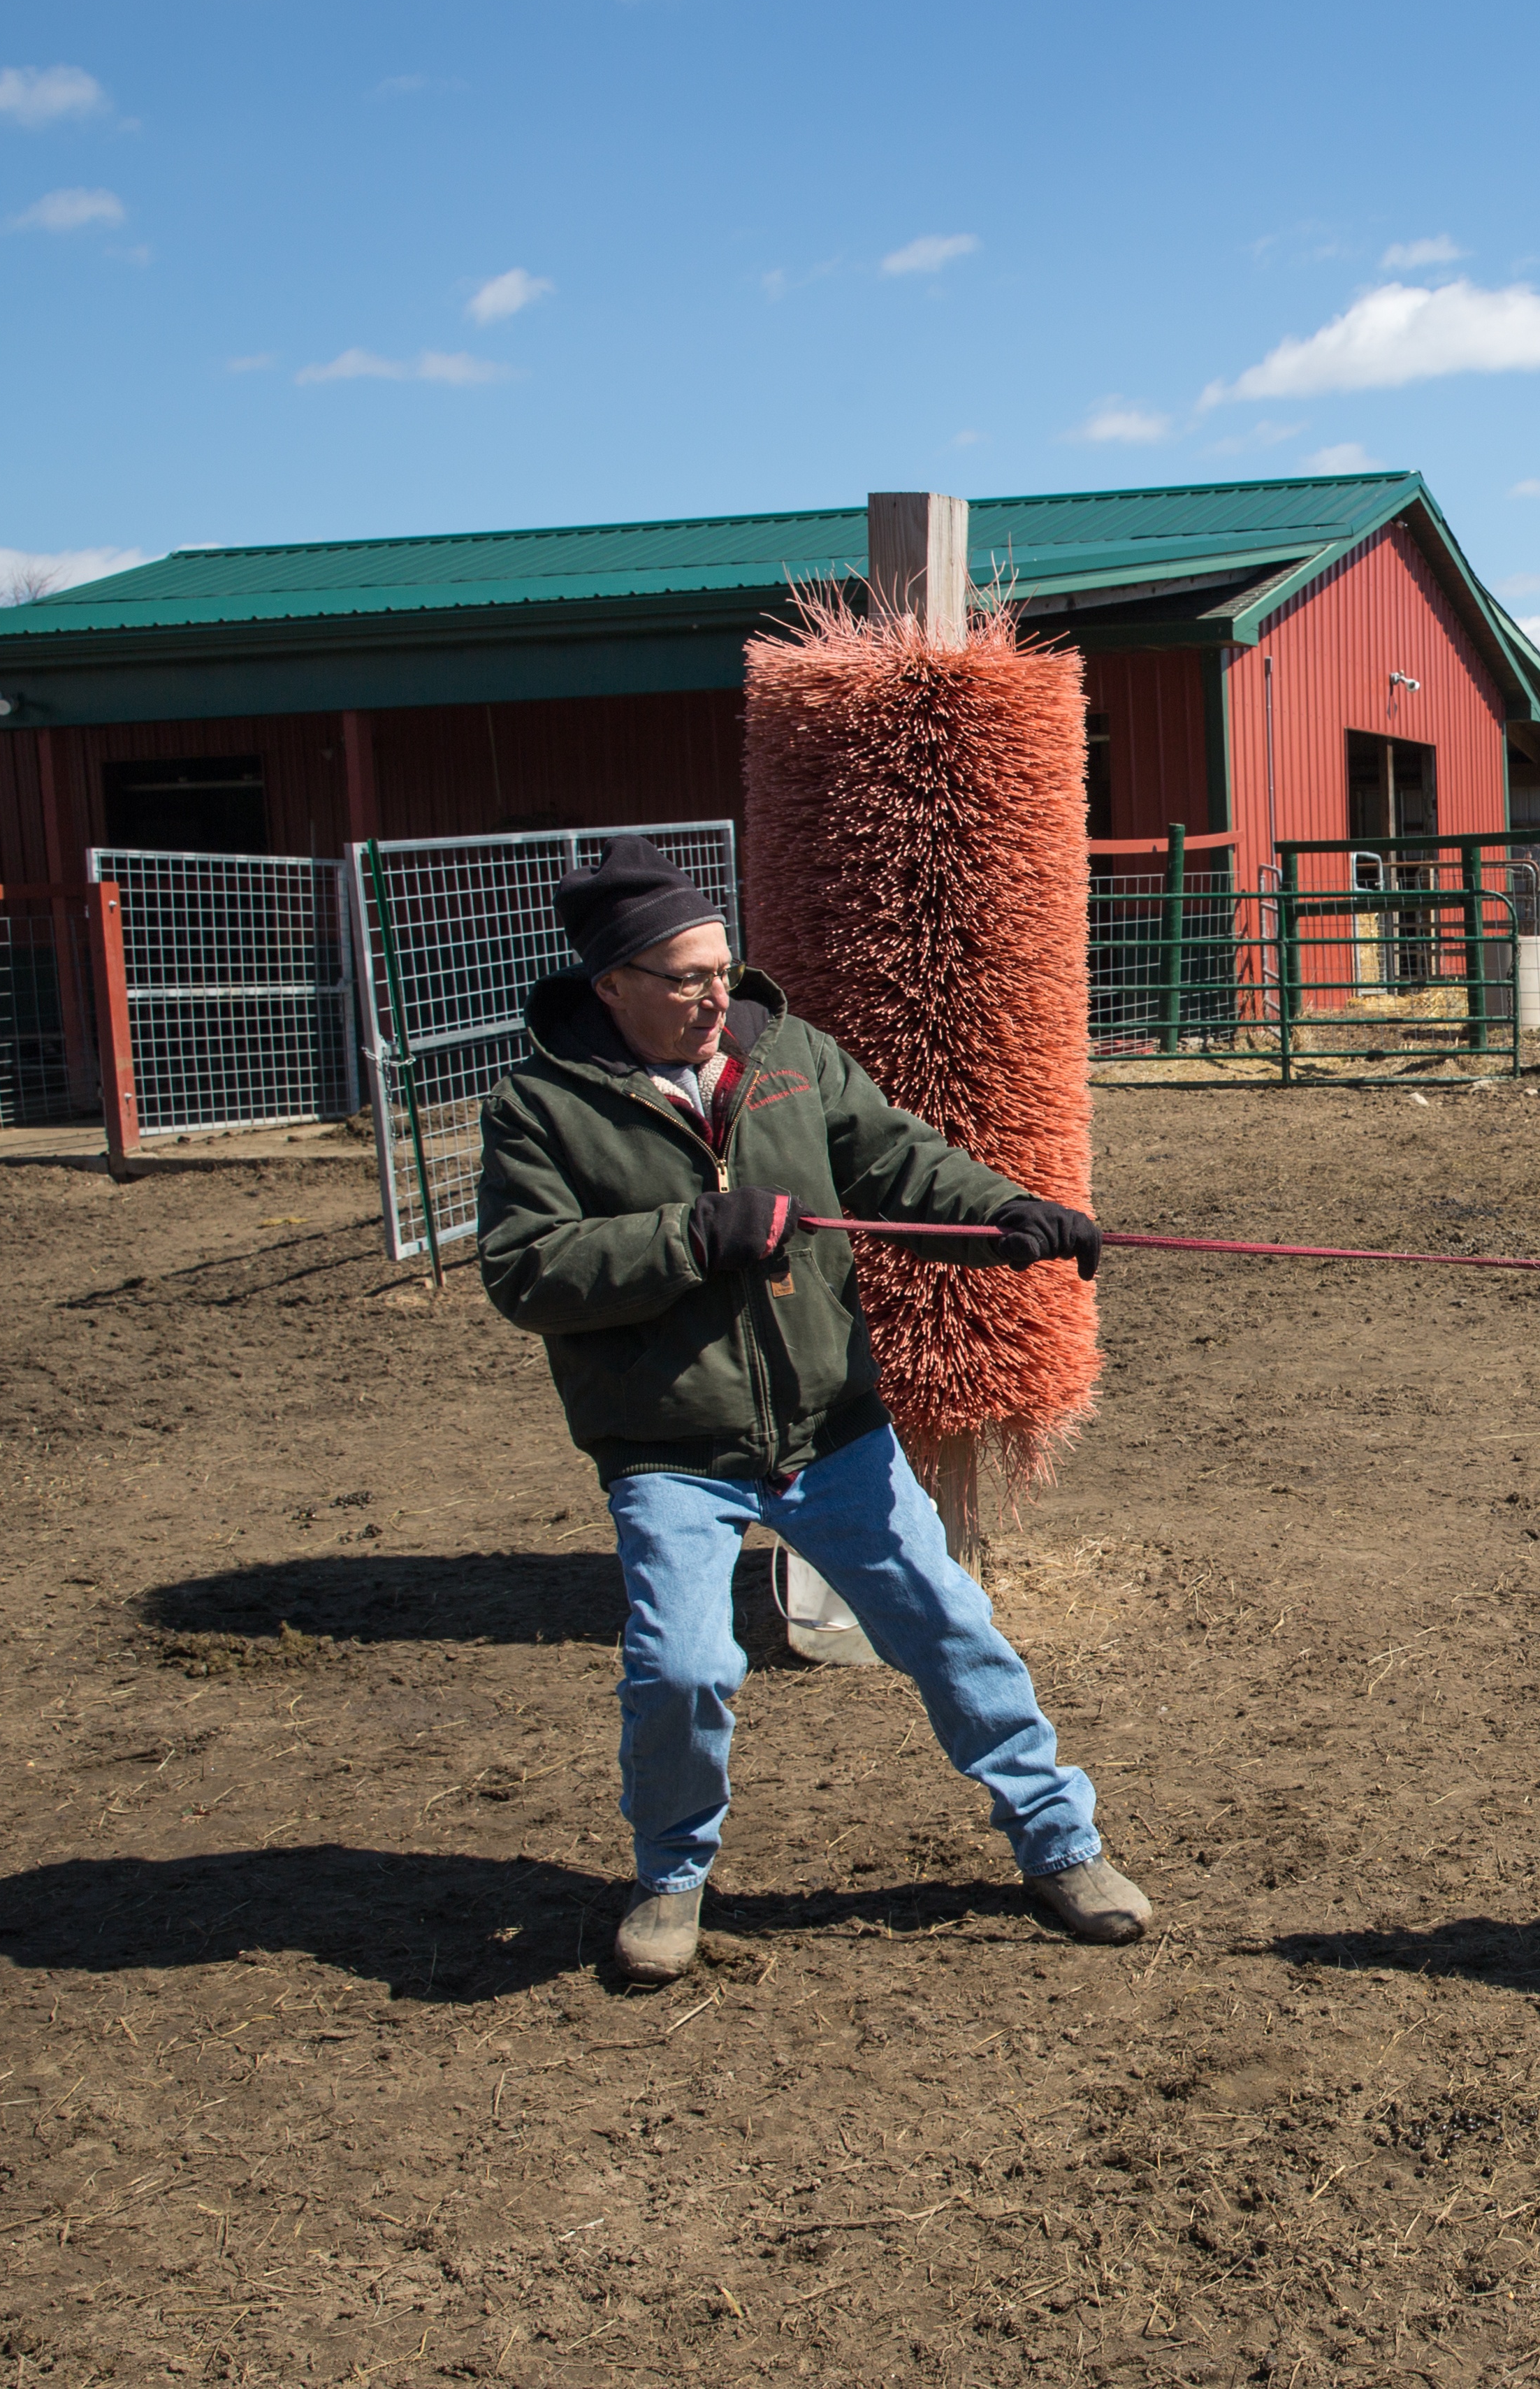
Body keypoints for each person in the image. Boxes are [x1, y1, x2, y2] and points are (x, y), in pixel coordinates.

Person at [474, 834, 1148, 1984]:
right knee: (681, 1669)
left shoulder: (789, 1055)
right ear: (612, 985)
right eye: (685, 978)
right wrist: (690, 1236)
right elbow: (525, 1269)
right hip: (669, 1447)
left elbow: (896, 1162)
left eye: (722, 969)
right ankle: (672, 1877)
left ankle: (1059, 1842)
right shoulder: (542, 1106)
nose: (713, 997)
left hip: (832, 1427)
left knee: (950, 1628)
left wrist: (1007, 1213)